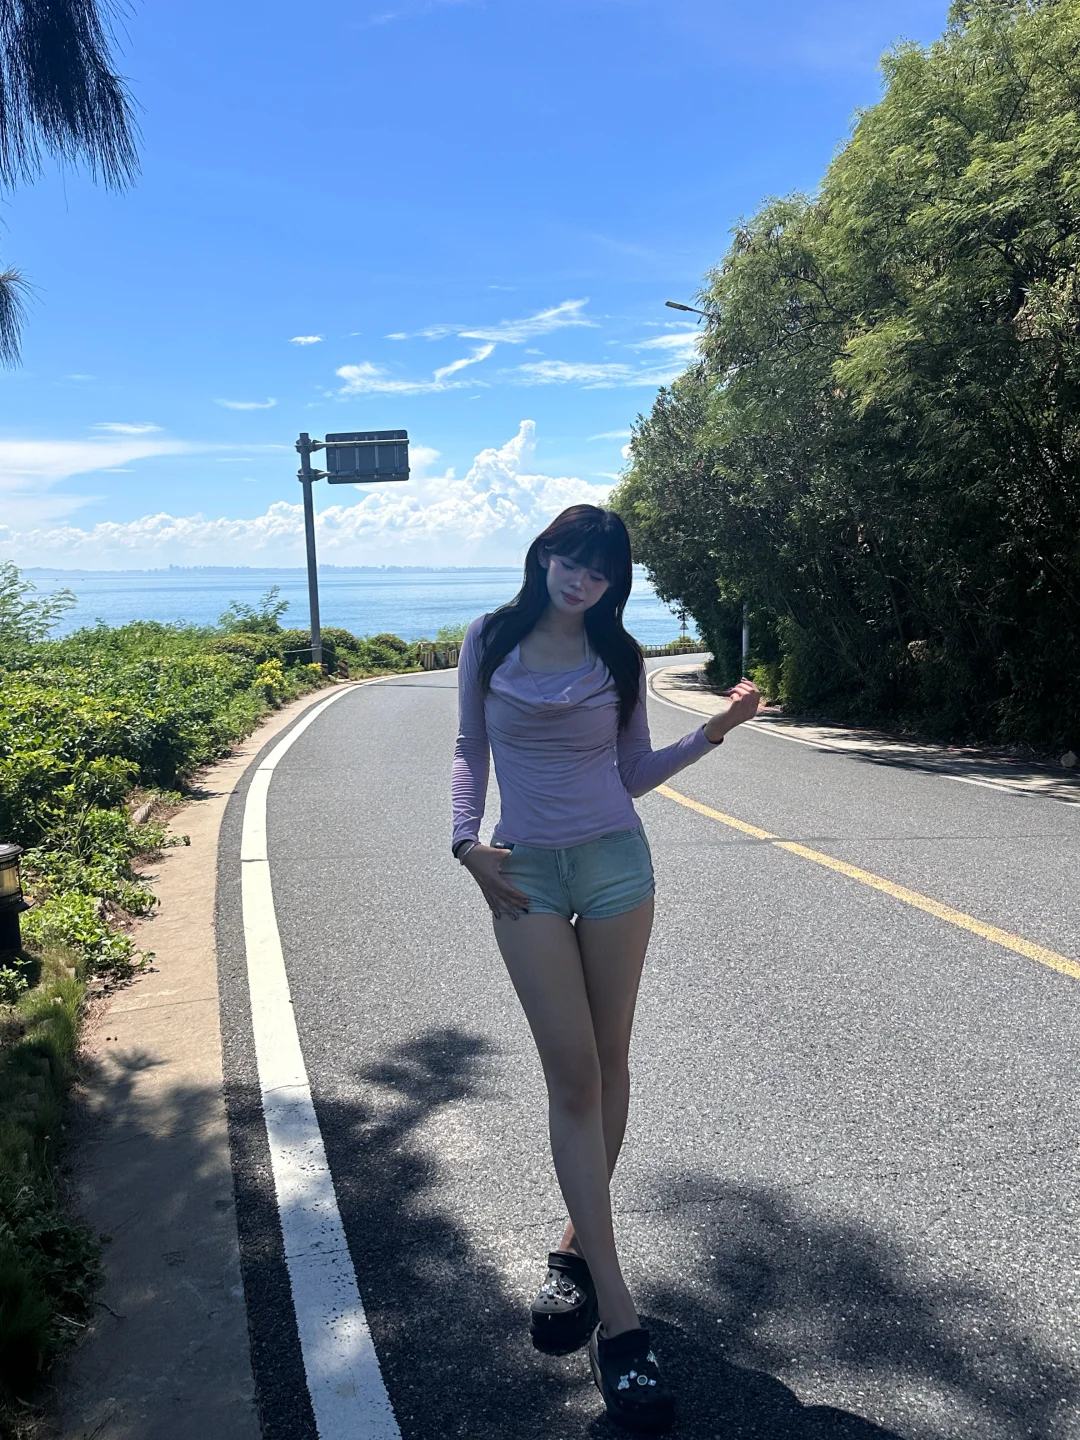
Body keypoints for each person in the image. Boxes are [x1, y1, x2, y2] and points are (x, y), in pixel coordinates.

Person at [451, 504, 760, 1432]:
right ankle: (621, 1321)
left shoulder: (618, 656)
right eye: (570, 560)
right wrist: (466, 844)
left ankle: (574, 1252)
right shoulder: (489, 638)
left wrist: (716, 732)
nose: (581, 579)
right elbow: (470, 748)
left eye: (600, 571)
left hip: (618, 866)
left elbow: (630, 774)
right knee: (573, 1075)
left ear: (613, 583)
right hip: (524, 874)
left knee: (610, 1061)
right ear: (543, 555)